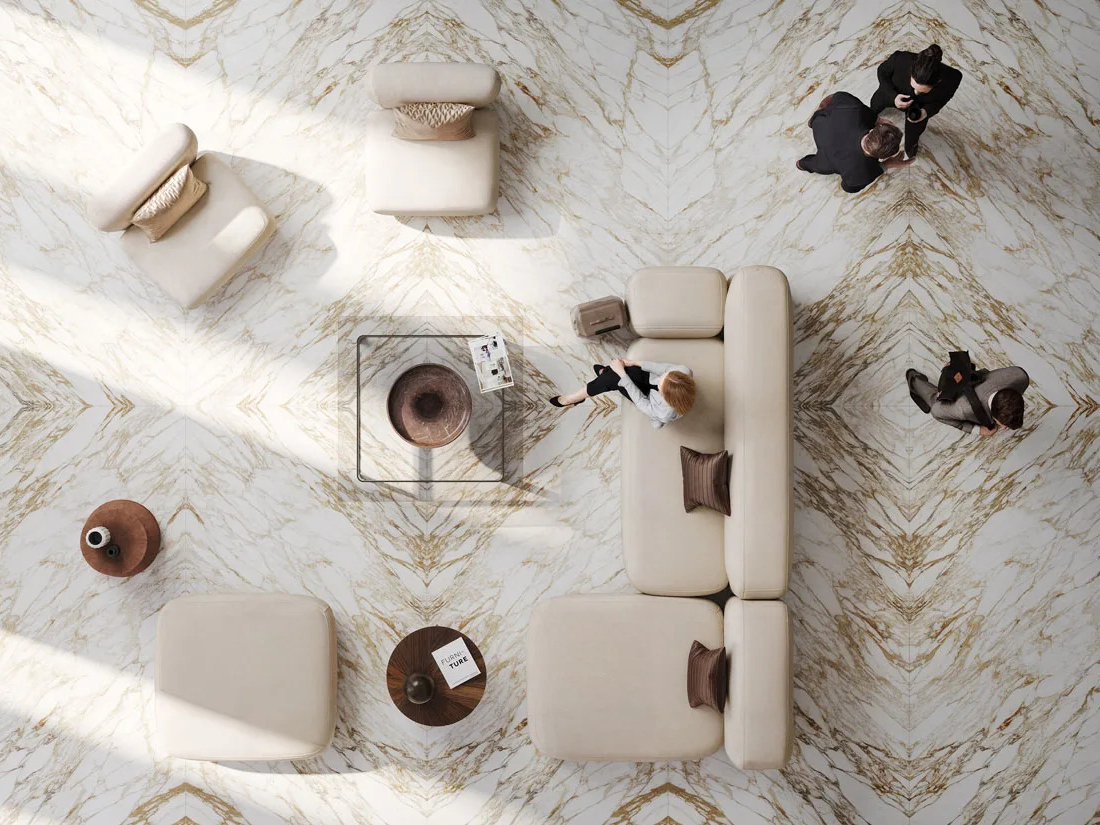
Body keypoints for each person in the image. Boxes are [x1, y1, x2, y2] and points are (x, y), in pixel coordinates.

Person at [796, 92, 912, 193]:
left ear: (873, 130)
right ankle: (801, 164)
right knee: (816, 165)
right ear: (880, 157)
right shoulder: (862, 174)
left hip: (819, 125)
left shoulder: (855, 109)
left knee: (819, 117)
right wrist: (887, 164)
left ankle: (812, 122)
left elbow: (835, 97)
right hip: (826, 159)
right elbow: (847, 187)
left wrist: (877, 119)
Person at [870, 44, 962, 158]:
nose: (916, 93)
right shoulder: (900, 58)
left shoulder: (953, 77)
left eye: (923, 90)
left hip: (920, 106)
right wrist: (893, 96)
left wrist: (926, 112)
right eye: (914, 86)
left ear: (938, 82)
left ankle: (910, 151)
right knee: (875, 104)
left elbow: (944, 98)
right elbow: (882, 72)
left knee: (913, 134)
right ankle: (870, 116)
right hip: (893, 92)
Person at [548, 358, 695, 429]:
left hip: (647, 398)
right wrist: (634, 363)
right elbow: (660, 368)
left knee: (617, 377)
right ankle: (605, 374)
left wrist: (621, 373)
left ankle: (573, 398)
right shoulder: (684, 371)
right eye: (664, 377)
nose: (659, 379)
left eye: (660, 386)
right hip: (649, 383)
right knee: (617, 374)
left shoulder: (664, 412)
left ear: (665, 397)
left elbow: (640, 401)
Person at [906, 364, 1029, 435]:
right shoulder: (963, 409)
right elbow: (937, 413)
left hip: (979, 384)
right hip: (961, 398)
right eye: (1004, 424)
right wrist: (978, 430)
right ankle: (914, 379)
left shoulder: (1021, 377)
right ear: (994, 415)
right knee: (934, 400)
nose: (1004, 428)